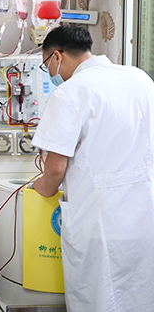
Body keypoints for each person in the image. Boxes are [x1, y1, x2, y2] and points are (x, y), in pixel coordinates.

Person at [31, 26, 154, 312]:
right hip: (145, 213)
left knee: (101, 296)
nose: (51, 73)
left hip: (101, 219)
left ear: (57, 57)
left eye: (47, 65)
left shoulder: (70, 92)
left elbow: (55, 168)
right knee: (143, 290)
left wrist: (43, 188)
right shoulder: (139, 77)